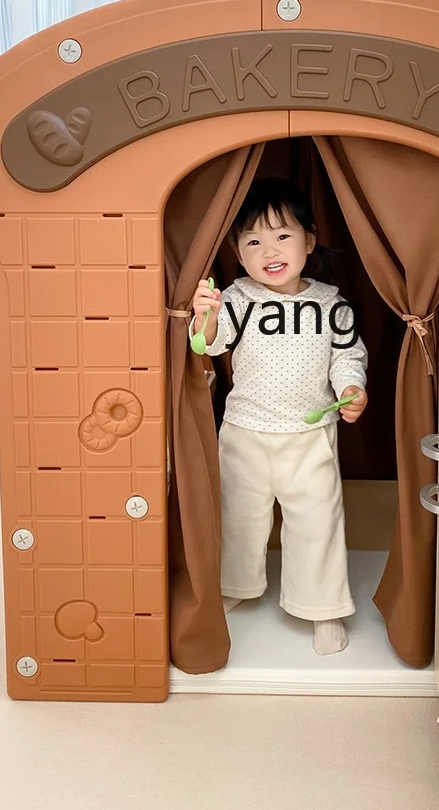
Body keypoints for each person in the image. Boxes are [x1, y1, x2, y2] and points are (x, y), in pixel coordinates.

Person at [190, 178, 368, 655]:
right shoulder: (237, 298)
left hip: (310, 434)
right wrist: (206, 314)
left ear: (309, 240)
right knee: (240, 516)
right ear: (238, 253)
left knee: (317, 521)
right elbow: (211, 344)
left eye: (282, 235)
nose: (269, 250)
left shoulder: (331, 303)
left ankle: (323, 606)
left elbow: (348, 357)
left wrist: (352, 389)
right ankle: (235, 585)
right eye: (253, 241)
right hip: (245, 431)